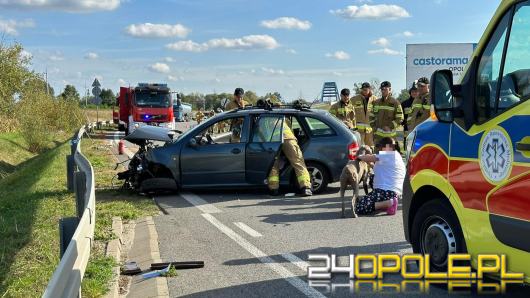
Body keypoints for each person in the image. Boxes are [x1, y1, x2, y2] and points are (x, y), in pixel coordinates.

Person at [258, 100, 312, 197]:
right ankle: (306, 188)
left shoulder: (262, 119)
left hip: (274, 142)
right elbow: (289, 127)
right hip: (289, 139)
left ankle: (274, 189)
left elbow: (261, 135)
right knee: (298, 162)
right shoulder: (280, 114)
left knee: (273, 165)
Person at [354, 137, 405, 216]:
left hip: (387, 192)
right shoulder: (396, 155)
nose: (379, 149)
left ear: (386, 147)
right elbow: (380, 169)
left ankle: (389, 203)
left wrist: (359, 156)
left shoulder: (387, 154)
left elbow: (370, 158)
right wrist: (369, 163)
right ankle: (386, 203)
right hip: (396, 192)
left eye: (380, 147)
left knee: (359, 206)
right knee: (372, 178)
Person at [369, 81, 404, 146]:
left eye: (385, 89)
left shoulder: (395, 103)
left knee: (388, 155)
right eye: (382, 89)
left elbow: (400, 118)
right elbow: (371, 116)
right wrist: (374, 127)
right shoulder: (376, 102)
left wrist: (390, 126)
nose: (383, 91)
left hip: (390, 137)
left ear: (390, 89)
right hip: (378, 137)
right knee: (378, 155)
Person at [351, 82, 376, 147]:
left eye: (366, 90)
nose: (364, 91)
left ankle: (370, 157)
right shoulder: (354, 99)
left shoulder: (375, 100)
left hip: (370, 130)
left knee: (371, 147)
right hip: (359, 130)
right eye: (363, 89)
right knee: (359, 148)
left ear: (370, 89)